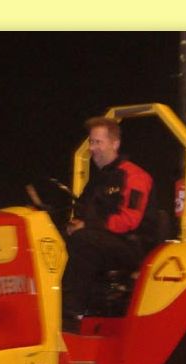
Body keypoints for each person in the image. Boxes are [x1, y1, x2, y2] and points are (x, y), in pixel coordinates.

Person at [62, 116, 153, 332]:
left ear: (115, 143)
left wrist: (87, 226)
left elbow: (129, 220)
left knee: (83, 240)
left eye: (98, 142)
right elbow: (82, 211)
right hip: (102, 239)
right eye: (91, 142)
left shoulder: (134, 176)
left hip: (130, 245)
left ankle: (70, 315)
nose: (92, 148)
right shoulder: (98, 180)